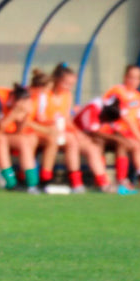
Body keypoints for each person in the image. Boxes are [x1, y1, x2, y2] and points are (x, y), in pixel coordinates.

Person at [35, 64, 112, 193]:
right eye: (65, 83)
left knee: (91, 146)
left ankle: (103, 183)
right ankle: (76, 182)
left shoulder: (67, 95)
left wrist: (77, 132)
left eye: (71, 84)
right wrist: (55, 123)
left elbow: (66, 119)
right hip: (46, 131)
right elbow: (39, 118)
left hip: (62, 132)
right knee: (72, 141)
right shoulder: (45, 94)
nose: (68, 87)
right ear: (56, 80)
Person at [73, 97, 130, 194]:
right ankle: (100, 182)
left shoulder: (110, 110)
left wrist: (120, 138)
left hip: (92, 136)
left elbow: (114, 129)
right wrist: (116, 138)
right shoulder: (93, 108)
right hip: (79, 134)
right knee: (98, 144)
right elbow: (92, 132)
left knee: (121, 144)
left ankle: (121, 180)